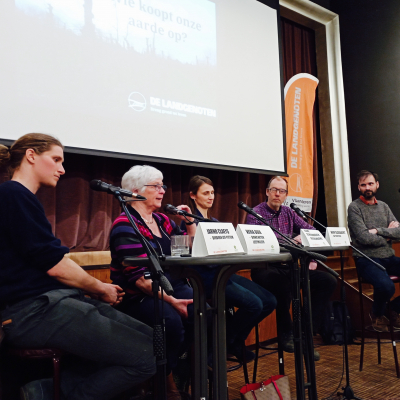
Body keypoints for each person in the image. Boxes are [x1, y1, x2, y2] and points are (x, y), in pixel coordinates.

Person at [0, 133, 156, 400]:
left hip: (50, 303)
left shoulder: (20, 197)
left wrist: (93, 289)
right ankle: (51, 393)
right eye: (56, 159)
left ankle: (46, 390)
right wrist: (100, 287)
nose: (62, 169)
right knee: (148, 357)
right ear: (31, 156)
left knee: (154, 340)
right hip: (33, 310)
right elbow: (54, 264)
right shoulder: (13, 193)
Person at [109, 165, 196, 400]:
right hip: (139, 295)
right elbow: (139, 280)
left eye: (163, 185)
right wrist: (173, 301)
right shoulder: (124, 224)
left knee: (204, 314)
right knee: (172, 323)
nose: (162, 191)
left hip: (172, 285)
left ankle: (172, 370)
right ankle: (166, 382)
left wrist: (188, 222)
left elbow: (185, 251)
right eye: (156, 186)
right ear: (135, 190)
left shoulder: (162, 219)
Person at [181, 175, 277, 362]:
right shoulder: (188, 222)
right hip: (206, 278)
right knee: (254, 304)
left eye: (213, 193)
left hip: (225, 273)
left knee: (270, 301)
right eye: (205, 193)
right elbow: (192, 254)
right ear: (193, 196)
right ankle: (223, 343)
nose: (211, 197)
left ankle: (231, 340)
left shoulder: (216, 223)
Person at [246, 176, 337, 361]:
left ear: (286, 194)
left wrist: (302, 237)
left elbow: (310, 231)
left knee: (327, 281)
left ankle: (304, 333)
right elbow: (264, 241)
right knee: (285, 285)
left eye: (282, 191)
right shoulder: (256, 213)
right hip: (264, 268)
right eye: (274, 190)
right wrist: (292, 240)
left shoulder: (288, 212)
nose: (277, 194)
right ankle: (285, 335)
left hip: (288, 267)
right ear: (267, 191)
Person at [347, 170, 400, 332]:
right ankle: (377, 314)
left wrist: (377, 230)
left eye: (370, 183)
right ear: (358, 187)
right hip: (366, 259)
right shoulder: (354, 208)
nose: (367, 187)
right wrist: (387, 235)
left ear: (377, 185)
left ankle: (393, 309)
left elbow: (398, 232)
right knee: (386, 287)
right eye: (363, 185)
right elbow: (363, 238)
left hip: (389, 257)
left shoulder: (384, 206)